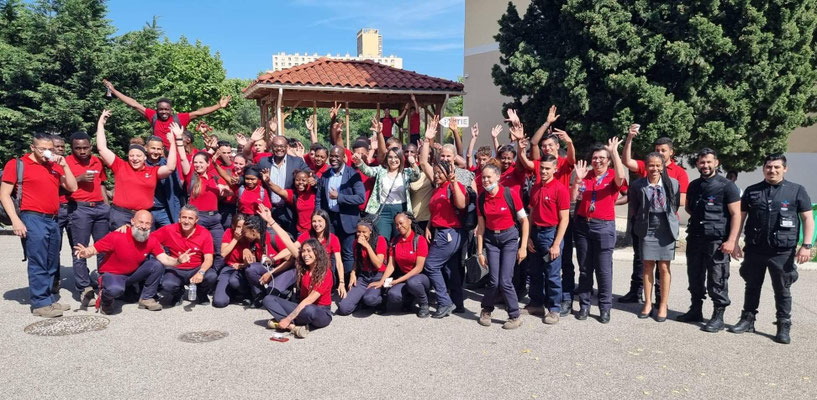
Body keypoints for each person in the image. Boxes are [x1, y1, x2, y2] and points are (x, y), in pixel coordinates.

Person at [729, 154, 813, 344]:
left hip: (782, 251)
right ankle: (747, 320)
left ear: (785, 169)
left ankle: (783, 326)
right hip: (755, 248)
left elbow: (808, 218)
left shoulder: (797, 191)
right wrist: (734, 242)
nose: (772, 170)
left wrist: (806, 246)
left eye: (776, 167)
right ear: (763, 168)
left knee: (782, 290)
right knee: (751, 286)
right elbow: (740, 218)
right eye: (769, 167)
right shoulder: (752, 191)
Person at [1, 133, 78, 317]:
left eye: (50, 149)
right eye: (43, 148)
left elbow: (73, 187)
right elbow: (4, 194)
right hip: (32, 217)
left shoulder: (54, 166)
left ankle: (49, 298)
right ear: (32, 147)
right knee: (38, 261)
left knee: (52, 260)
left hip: (53, 218)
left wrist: (65, 165)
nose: (47, 152)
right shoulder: (17, 164)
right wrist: (15, 220)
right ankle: (39, 303)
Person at [621, 127, 690, 304]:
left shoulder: (679, 173)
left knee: (662, 265)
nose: (659, 153)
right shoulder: (649, 166)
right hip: (645, 223)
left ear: (671, 152)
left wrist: (660, 201)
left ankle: (660, 299)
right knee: (641, 260)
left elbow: (681, 200)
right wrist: (629, 138)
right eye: (657, 150)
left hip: (665, 223)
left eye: (663, 150)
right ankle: (636, 292)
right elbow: (627, 161)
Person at [72, 210, 182, 314]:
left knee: (157, 265)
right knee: (115, 290)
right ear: (132, 221)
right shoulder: (117, 236)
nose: (143, 226)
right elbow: (95, 249)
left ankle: (147, 298)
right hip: (112, 275)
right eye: (141, 222)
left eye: (147, 223)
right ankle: (106, 300)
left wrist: (178, 260)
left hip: (132, 275)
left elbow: (164, 258)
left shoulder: (151, 240)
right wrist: (86, 252)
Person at [680, 148, 741, 331]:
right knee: (694, 276)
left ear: (716, 162)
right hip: (696, 238)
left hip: (717, 241)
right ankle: (695, 310)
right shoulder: (694, 185)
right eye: (701, 162)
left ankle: (718, 316)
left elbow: (736, 214)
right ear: (697, 164)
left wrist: (732, 240)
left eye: (708, 162)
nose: (705, 165)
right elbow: (690, 208)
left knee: (717, 278)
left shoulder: (727, 186)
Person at [571, 138, 627, 323]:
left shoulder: (612, 176)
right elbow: (574, 199)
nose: (598, 161)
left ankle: (604, 307)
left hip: (603, 226)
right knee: (585, 269)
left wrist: (615, 152)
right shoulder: (585, 176)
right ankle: (584, 306)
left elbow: (621, 177)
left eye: (602, 158)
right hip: (583, 225)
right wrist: (577, 180)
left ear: (609, 160)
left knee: (603, 270)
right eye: (595, 158)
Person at [95, 110, 179, 230]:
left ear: (145, 157)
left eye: (138, 156)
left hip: (143, 216)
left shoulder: (152, 171)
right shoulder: (120, 166)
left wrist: (172, 143)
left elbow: (170, 167)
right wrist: (101, 124)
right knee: (121, 246)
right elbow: (102, 148)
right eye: (131, 156)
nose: (135, 159)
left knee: (143, 247)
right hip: (121, 215)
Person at [258, 206, 334, 338]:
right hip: (301, 308)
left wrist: (288, 318)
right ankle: (293, 327)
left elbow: (310, 300)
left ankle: (286, 322)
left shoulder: (325, 272)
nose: (305, 254)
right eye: (303, 251)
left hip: (320, 312)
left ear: (317, 253)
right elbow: (287, 241)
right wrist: (270, 220)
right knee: (268, 299)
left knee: (309, 310)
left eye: (309, 251)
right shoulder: (303, 265)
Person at [418, 117, 467, 318]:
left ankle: (446, 302)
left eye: (440, 174)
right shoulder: (438, 186)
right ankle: (455, 302)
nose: (436, 176)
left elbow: (462, 204)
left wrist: (454, 183)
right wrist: (427, 140)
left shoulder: (455, 183)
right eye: (435, 173)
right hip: (439, 230)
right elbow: (423, 162)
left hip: (450, 233)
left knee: (431, 265)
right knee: (448, 268)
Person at [475, 164, 530, 329]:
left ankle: (514, 315)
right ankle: (486, 310)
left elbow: (524, 221)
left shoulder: (510, 194)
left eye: (489, 177)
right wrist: (480, 252)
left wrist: (523, 247)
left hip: (509, 239)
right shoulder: (481, 198)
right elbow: (481, 228)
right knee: (493, 280)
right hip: (492, 240)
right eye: (483, 177)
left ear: (497, 177)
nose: (485, 180)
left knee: (505, 280)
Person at [102, 79, 230, 149]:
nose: (163, 112)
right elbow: (134, 104)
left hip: (176, 156)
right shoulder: (153, 116)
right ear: (157, 110)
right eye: (161, 109)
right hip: (158, 156)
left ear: (171, 109)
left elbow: (199, 112)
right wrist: (114, 90)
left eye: (166, 109)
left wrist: (218, 106)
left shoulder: (179, 118)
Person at [629, 152, 681, 322]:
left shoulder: (673, 183)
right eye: (651, 165)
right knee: (647, 266)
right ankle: (648, 303)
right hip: (647, 228)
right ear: (646, 166)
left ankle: (663, 305)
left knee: (664, 268)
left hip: (666, 228)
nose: (655, 169)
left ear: (663, 166)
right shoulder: (638, 185)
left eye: (658, 165)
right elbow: (635, 208)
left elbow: (674, 206)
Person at [65, 131, 110, 303]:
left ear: (90, 146)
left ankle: (104, 283)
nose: (82, 151)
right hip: (80, 208)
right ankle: (84, 288)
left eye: (85, 147)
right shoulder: (67, 162)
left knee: (103, 248)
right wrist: (80, 178)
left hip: (100, 207)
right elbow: (63, 186)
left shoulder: (97, 160)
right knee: (80, 249)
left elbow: (102, 184)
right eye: (78, 148)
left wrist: (106, 206)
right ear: (72, 148)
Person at [526, 154, 571, 323]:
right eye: (542, 168)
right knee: (535, 272)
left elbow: (564, 219)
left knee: (552, 274)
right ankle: (536, 304)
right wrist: (529, 237)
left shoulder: (560, 189)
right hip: (536, 233)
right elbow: (531, 214)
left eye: (547, 168)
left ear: (555, 169)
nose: (543, 171)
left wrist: (556, 244)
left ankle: (554, 308)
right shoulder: (536, 187)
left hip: (551, 234)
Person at [216, 214, 292, 308]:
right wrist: (246, 253)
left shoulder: (273, 237)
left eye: (244, 231)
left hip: (280, 270)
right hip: (266, 268)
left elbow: (289, 261)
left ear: (253, 231)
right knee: (251, 269)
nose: (243, 234)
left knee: (275, 293)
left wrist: (271, 272)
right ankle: (259, 295)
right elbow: (253, 262)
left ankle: (283, 292)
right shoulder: (254, 241)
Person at [316, 145, 365, 282]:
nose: (333, 159)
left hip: (348, 220)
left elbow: (361, 198)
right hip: (330, 220)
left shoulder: (353, 174)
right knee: (329, 253)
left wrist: (339, 197)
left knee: (347, 254)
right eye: (331, 156)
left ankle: (349, 285)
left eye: (337, 156)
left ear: (344, 157)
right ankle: (331, 284)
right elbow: (319, 198)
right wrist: (318, 217)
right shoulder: (325, 175)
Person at [151, 205, 217, 305]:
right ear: (179, 218)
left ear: (196, 220)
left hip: (196, 268)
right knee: (167, 285)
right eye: (184, 217)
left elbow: (209, 259)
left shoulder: (204, 233)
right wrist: (161, 252)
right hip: (176, 268)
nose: (186, 221)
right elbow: (150, 239)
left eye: (190, 218)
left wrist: (201, 272)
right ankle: (178, 293)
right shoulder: (169, 230)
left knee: (211, 276)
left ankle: (201, 293)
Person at [369, 213, 432, 316]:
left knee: (413, 282)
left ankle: (424, 303)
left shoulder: (419, 240)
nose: (399, 227)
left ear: (409, 221)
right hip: (403, 276)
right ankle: (408, 301)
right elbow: (391, 265)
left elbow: (419, 268)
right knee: (393, 295)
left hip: (419, 278)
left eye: (401, 223)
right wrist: (381, 281)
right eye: (396, 224)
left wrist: (397, 281)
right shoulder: (395, 241)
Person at [354, 146, 420, 241]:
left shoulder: (406, 172)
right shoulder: (381, 171)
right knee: (382, 240)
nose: (393, 160)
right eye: (390, 157)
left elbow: (416, 176)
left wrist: (413, 163)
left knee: (400, 239)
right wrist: (359, 162)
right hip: (382, 211)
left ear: (401, 159)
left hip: (401, 210)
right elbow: (368, 171)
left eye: (396, 157)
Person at [180, 151, 225, 272]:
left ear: (207, 164)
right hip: (199, 219)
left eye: (201, 162)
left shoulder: (215, 178)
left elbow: (230, 191)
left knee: (220, 250)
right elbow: (183, 159)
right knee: (197, 249)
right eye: (195, 162)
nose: (198, 165)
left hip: (215, 219)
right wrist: (178, 139)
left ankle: (213, 275)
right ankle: (196, 275)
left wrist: (224, 188)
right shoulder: (192, 177)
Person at [256, 135, 310, 235]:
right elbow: (252, 173)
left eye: (282, 146)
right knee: (272, 240)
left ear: (287, 147)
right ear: (272, 147)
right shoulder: (264, 162)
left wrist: (313, 179)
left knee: (291, 241)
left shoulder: (297, 162)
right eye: (276, 146)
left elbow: (309, 174)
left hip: (290, 210)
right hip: (270, 210)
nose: (279, 149)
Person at [336, 219, 388, 315]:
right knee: (344, 308)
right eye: (358, 232)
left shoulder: (380, 240)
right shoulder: (356, 242)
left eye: (364, 232)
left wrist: (367, 246)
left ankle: (381, 300)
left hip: (378, 275)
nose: (361, 234)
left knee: (370, 299)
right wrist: (353, 273)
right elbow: (357, 260)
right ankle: (360, 300)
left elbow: (378, 264)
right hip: (364, 276)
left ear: (370, 231)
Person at [296, 209, 345, 297]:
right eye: (314, 221)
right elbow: (293, 247)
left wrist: (341, 282)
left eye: (320, 221)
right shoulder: (307, 235)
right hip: (308, 270)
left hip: (324, 273)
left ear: (326, 222)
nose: (316, 224)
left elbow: (338, 262)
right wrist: (274, 259)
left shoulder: (333, 238)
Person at [144, 135, 184, 228]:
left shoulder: (168, 165)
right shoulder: (141, 165)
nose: (156, 152)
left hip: (165, 210)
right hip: (147, 210)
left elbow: (176, 188)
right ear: (146, 148)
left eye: (159, 149)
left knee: (170, 237)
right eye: (153, 148)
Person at [51, 136, 72, 292]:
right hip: (55, 209)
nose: (60, 149)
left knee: (77, 244)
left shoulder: (67, 162)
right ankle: (54, 278)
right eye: (56, 146)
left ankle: (81, 279)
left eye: (62, 147)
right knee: (54, 247)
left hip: (72, 208)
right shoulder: (47, 164)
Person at [267, 169, 315, 235]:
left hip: (316, 230)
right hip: (302, 232)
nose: (300, 182)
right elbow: (280, 191)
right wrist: (269, 182)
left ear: (309, 180)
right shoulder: (294, 195)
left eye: (303, 180)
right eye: (297, 180)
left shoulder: (315, 192)